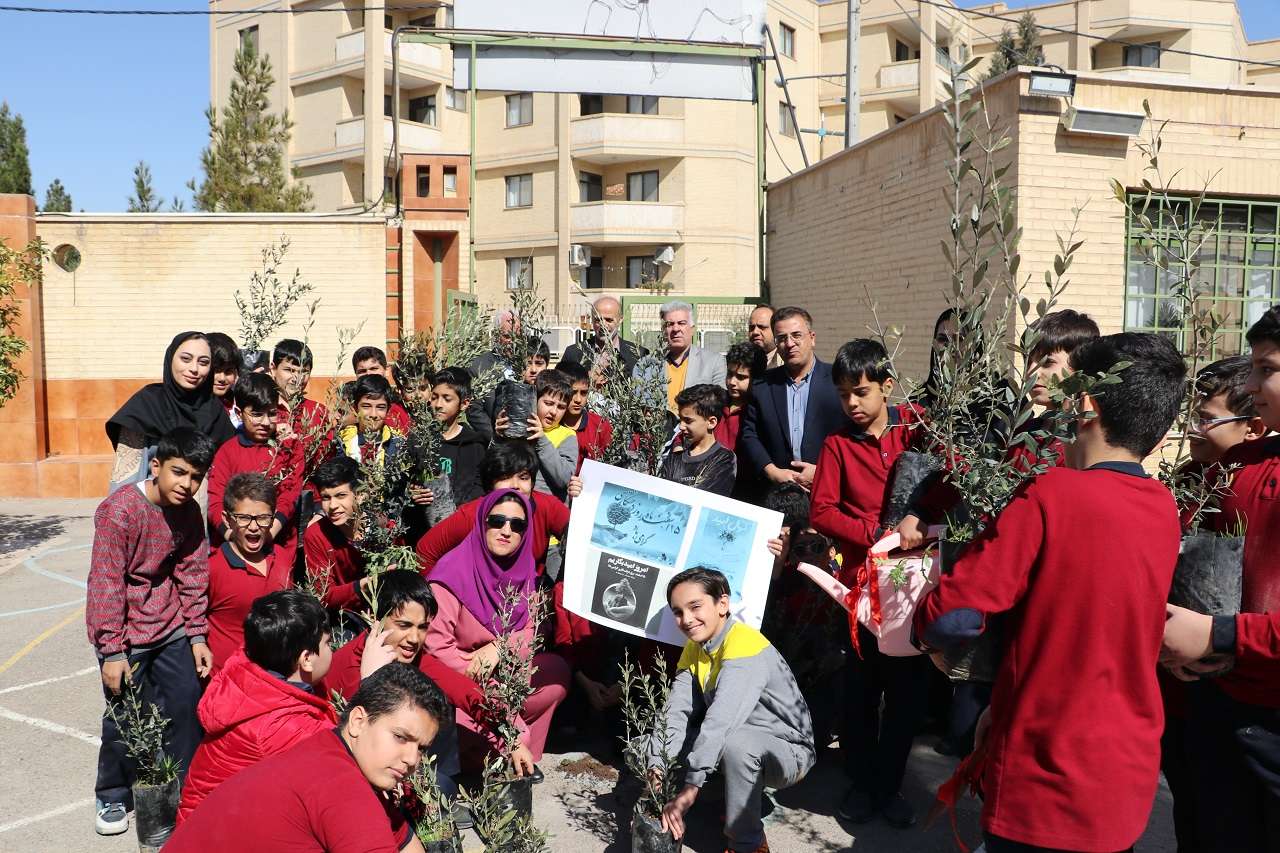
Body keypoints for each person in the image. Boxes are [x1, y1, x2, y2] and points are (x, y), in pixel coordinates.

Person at [917, 332, 1187, 853]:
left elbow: (955, 614)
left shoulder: (1052, 494)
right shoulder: (1162, 507)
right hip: (1124, 775)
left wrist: (925, 636)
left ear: (1084, 406)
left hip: (1043, 772)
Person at [1161, 305, 1280, 853]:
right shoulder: (1233, 468)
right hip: (1219, 708)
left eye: (1267, 369)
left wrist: (1221, 634)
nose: (1252, 385)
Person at [808, 338, 934, 829]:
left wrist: (918, 520)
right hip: (860, 589)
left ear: (887, 386)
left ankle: (890, 785)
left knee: (905, 696)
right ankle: (862, 782)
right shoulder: (837, 446)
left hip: (913, 588)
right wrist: (874, 534)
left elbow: (946, 487)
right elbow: (822, 511)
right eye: (843, 395)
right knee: (860, 691)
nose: (852, 404)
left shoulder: (918, 432)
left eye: (861, 392)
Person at [164, 663, 446, 852]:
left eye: (421, 748)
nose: (412, 759)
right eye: (400, 737)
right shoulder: (340, 786)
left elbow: (404, 842)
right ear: (358, 721)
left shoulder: (330, 751)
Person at [87, 427, 217, 836]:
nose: (187, 485)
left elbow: (192, 574)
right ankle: (112, 794)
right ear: (156, 466)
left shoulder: (188, 512)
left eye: (196, 477)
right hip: (126, 635)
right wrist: (112, 651)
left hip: (171, 626)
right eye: (179, 472)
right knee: (125, 716)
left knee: (185, 705)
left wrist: (197, 635)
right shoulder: (120, 512)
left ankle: (185, 789)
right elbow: (106, 582)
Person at [652, 567, 815, 853]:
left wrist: (690, 790)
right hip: (735, 741)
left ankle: (748, 843)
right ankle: (725, 793)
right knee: (647, 746)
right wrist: (656, 769)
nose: (686, 619)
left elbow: (721, 722)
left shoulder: (744, 645)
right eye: (678, 612)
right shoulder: (695, 646)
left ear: (722, 604)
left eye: (695, 607)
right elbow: (675, 713)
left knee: (736, 746)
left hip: (786, 752)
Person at [321, 570, 503, 800]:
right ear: (375, 619)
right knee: (442, 790)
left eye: (422, 627)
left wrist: (509, 733)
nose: (414, 638)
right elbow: (358, 744)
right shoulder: (352, 665)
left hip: (390, 760)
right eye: (404, 625)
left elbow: (462, 690)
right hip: (348, 771)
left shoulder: (407, 654)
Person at [424, 490, 571, 767]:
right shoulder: (451, 574)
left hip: (505, 674)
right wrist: (477, 670)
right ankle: (507, 755)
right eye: (497, 521)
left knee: (556, 672)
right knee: (509, 733)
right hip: (461, 685)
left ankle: (519, 753)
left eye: (517, 525)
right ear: (482, 522)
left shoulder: (524, 570)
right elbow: (436, 648)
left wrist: (500, 648)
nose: (506, 531)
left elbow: (536, 628)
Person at [176, 590, 335, 823]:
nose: (333, 649)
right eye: (328, 643)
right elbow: (342, 761)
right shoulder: (279, 727)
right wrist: (369, 682)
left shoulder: (251, 667)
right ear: (306, 659)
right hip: (217, 833)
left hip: (219, 817)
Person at [106, 332, 236, 493]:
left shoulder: (216, 412)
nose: (194, 369)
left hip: (206, 507)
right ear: (170, 359)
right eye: (185, 359)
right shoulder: (146, 405)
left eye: (203, 362)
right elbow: (124, 484)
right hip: (153, 506)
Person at [739, 306, 846, 498]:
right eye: (781, 338)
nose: (789, 344)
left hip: (829, 491)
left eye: (796, 335)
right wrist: (772, 471)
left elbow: (853, 434)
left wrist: (823, 471)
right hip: (777, 493)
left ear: (812, 338)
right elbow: (749, 434)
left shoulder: (838, 381)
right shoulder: (763, 385)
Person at [204, 473, 294, 669]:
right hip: (228, 678)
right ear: (227, 520)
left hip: (273, 675)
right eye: (244, 518)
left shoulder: (282, 558)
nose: (254, 527)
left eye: (263, 518)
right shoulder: (213, 567)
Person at [206, 373, 303, 549]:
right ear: (239, 413)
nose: (266, 422)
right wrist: (231, 536)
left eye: (272, 414)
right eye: (257, 415)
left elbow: (290, 495)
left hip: (278, 542)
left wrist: (269, 534)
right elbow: (215, 501)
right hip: (233, 543)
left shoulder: (288, 447)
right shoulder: (228, 452)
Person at [496, 368, 577, 501]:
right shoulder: (518, 427)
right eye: (548, 403)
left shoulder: (567, 436)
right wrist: (498, 437)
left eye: (561, 407)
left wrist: (541, 439)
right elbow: (494, 467)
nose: (554, 412)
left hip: (546, 507)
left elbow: (564, 478)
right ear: (535, 400)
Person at [303, 456, 370, 613]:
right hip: (344, 617)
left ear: (360, 495)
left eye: (341, 495)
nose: (332, 506)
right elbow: (323, 595)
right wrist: (363, 586)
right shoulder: (316, 535)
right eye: (326, 498)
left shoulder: (384, 527)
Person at [660, 384, 737, 497]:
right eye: (680, 419)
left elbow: (705, 499)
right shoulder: (674, 458)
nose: (681, 426)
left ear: (711, 422)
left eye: (688, 421)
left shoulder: (724, 459)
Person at [658, 300, 726, 411]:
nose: (676, 329)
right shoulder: (647, 366)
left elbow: (719, 403)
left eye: (681, 323)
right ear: (663, 330)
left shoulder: (714, 362)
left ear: (692, 329)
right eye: (670, 324)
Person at [561, 295, 648, 376]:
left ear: (620, 320)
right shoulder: (573, 353)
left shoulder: (639, 355)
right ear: (592, 320)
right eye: (598, 320)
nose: (603, 325)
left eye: (609, 320)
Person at [557, 359, 613, 470]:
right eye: (573, 393)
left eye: (583, 393)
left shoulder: (601, 426)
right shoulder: (549, 424)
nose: (578, 400)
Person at [337, 374, 405, 466]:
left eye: (380, 407)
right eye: (366, 406)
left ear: (388, 410)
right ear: (355, 409)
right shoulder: (341, 442)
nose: (373, 414)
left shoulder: (398, 444)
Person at [718, 341, 767, 456]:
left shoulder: (760, 412)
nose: (732, 382)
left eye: (741, 377)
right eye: (730, 374)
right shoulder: (715, 402)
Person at [353, 345, 412, 434]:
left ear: (386, 370)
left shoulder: (400, 407)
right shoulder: (348, 405)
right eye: (362, 371)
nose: (368, 374)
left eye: (374, 369)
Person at [205, 331, 241, 428]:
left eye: (228, 371)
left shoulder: (238, 402)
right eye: (215, 371)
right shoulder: (194, 406)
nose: (222, 378)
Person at [746, 304, 783, 369]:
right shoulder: (742, 362)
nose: (755, 332)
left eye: (762, 327)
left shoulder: (785, 362)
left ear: (775, 330)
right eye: (752, 327)